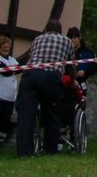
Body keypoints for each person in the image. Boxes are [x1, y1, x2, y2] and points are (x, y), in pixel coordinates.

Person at [15, 20, 74, 158]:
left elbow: (31, 56)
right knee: (51, 114)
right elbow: (71, 64)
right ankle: (50, 149)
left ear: (46, 28)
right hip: (51, 77)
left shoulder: (38, 39)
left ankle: (24, 152)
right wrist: (72, 80)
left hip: (31, 75)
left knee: (26, 115)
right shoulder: (67, 41)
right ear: (60, 30)